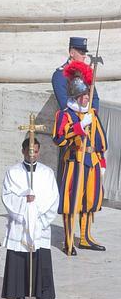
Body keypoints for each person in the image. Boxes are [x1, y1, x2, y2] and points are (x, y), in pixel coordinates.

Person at [52, 60, 108, 254]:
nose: (86, 98)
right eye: (84, 95)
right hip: (75, 162)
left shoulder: (91, 113)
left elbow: (100, 140)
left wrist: (102, 162)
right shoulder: (65, 114)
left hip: (91, 163)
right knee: (71, 201)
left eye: (87, 95)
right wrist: (79, 127)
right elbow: (59, 138)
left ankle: (85, 237)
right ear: (76, 96)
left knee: (89, 200)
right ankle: (68, 241)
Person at [1, 138, 58, 299]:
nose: (33, 154)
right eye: (29, 151)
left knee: (40, 257)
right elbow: (7, 196)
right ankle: (19, 295)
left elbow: (53, 197)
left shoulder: (47, 173)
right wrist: (25, 201)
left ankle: (41, 295)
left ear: (39, 151)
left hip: (40, 222)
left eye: (36, 151)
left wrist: (37, 211)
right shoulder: (13, 172)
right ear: (23, 151)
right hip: (21, 223)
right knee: (20, 257)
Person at [52, 37, 99, 111]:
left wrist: (92, 114)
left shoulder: (86, 72)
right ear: (72, 53)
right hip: (72, 120)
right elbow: (64, 104)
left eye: (85, 53)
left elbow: (94, 97)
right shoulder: (60, 75)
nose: (84, 56)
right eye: (81, 53)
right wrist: (81, 122)